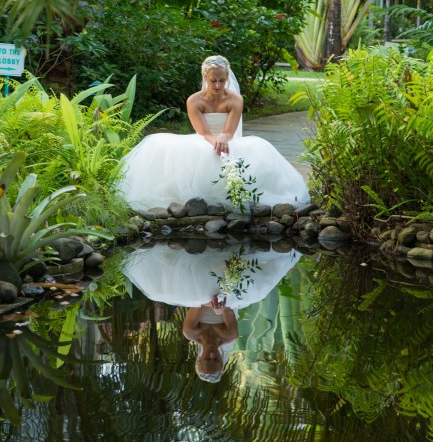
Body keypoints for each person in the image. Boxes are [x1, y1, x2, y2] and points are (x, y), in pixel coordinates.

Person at [118, 55, 310, 210]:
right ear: (205, 78)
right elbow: (202, 131)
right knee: (159, 144)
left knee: (260, 147)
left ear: (227, 79)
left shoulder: (235, 99)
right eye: (213, 81)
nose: (218, 85)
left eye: (222, 80)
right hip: (205, 137)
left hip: (228, 138)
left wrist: (224, 139)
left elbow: (230, 130)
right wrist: (214, 142)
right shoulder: (194, 100)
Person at [122, 243, 301, 383]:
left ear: (199, 359)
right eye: (215, 360)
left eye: (207, 359)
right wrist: (219, 308)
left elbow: (196, 305)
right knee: (257, 291)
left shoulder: (191, 333)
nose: (212, 355)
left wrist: (213, 304)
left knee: (159, 292)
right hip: (228, 299)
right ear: (221, 360)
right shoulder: (229, 336)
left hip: (199, 295)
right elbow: (228, 309)